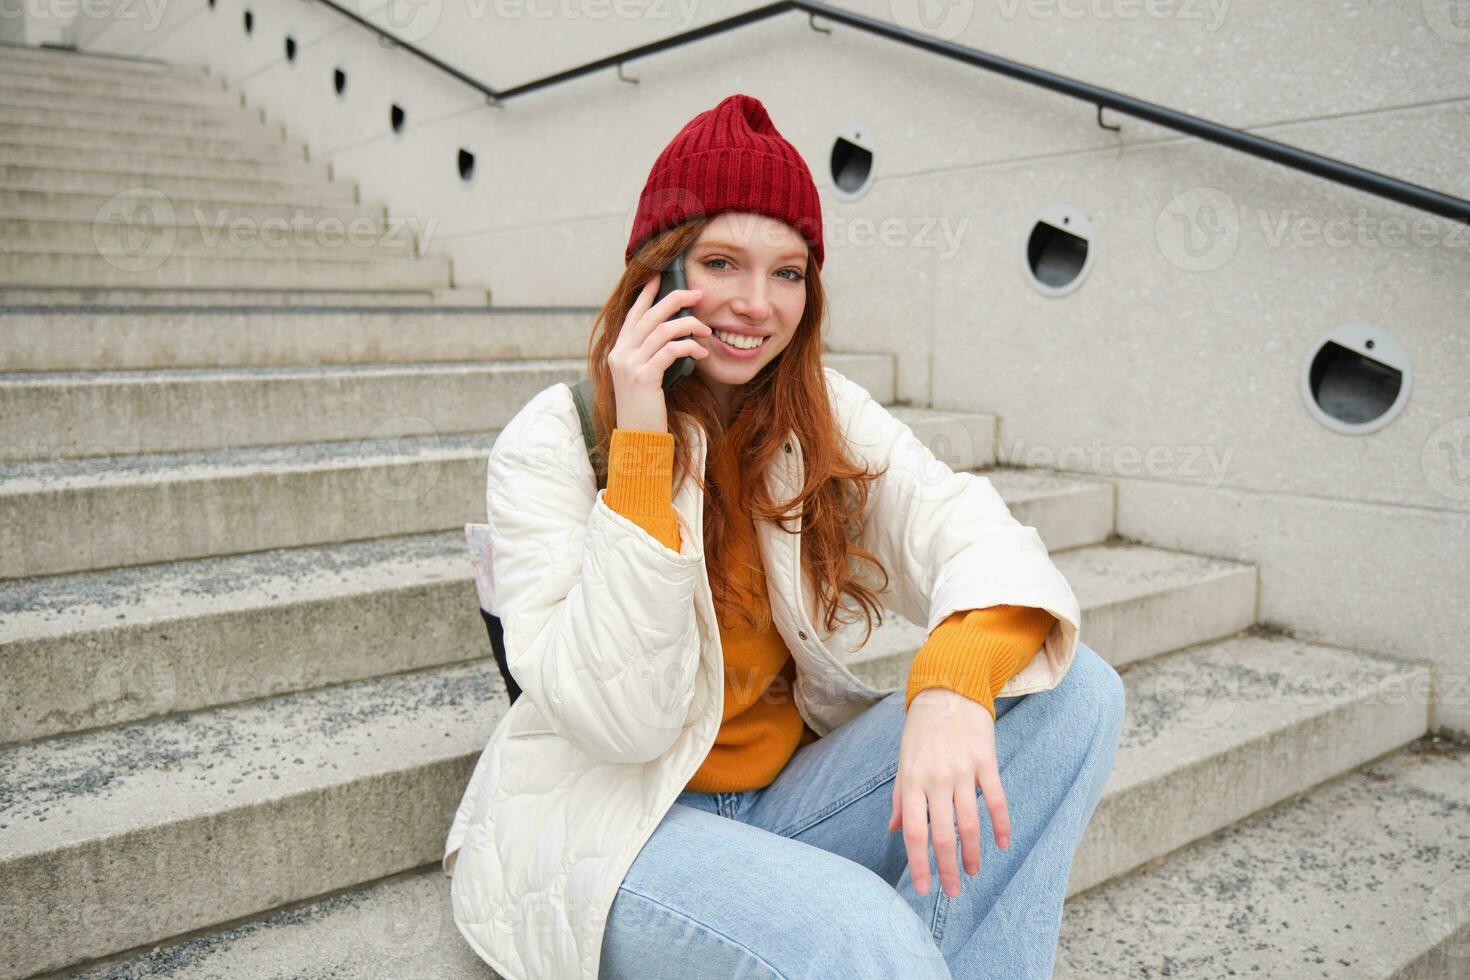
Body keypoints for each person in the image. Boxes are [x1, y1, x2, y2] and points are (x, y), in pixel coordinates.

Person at [442, 93, 1125, 980]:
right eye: (722, 261)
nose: (756, 305)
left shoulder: (819, 415)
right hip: (618, 830)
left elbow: (966, 525)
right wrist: (642, 450)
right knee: (861, 934)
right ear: (658, 270)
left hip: (786, 799)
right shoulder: (554, 441)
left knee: (1077, 695)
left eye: (789, 273)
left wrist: (953, 686)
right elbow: (624, 721)